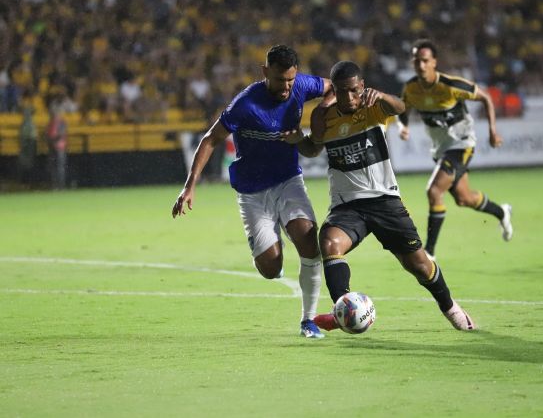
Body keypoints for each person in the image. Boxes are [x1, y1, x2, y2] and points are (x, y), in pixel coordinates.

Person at [294, 60, 476, 332]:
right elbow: (313, 149)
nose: (349, 97)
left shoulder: (374, 106)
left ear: (362, 86)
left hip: (384, 201)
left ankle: (450, 307)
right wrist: (297, 139)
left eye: (354, 90)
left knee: (419, 266)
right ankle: (342, 309)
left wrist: (382, 96)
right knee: (329, 243)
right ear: (335, 91)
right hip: (347, 206)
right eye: (342, 91)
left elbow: (401, 107)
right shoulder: (323, 115)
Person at [171, 45, 332, 339]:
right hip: (253, 192)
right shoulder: (245, 104)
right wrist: (189, 186)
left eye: (291, 81)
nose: (286, 87)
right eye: (281, 79)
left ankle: (308, 321)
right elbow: (210, 139)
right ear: (265, 72)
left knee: (310, 243)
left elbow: (333, 87)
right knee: (271, 268)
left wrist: (323, 110)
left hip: (288, 181)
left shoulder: (303, 85)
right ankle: (272, 250)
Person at [396, 39, 513, 260]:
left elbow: (486, 97)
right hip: (441, 148)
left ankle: (429, 252)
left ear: (434, 62)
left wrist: (492, 131)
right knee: (464, 198)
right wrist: (404, 127)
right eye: (416, 61)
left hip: (462, 144)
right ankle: (502, 212)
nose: (420, 65)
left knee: (434, 191)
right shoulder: (411, 88)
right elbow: (403, 108)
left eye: (425, 61)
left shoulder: (450, 85)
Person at [46, 95, 69, 190]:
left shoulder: (62, 122)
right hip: (51, 146)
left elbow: (62, 134)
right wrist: (51, 141)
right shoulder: (50, 123)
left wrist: (53, 139)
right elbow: (47, 134)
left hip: (60, 147)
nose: (53, 114)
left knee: (60, 167)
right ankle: (54, 185)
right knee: (52, 167)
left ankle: (61, 186)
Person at [18, 90, 37, 184]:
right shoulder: (24, 125)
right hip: (26, 140)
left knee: (29, 162)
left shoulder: (30, 125)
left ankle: (28, 181)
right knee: (25, 162)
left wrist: (30, 99)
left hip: (29, 141)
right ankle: (25, 181)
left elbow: (33, 108)